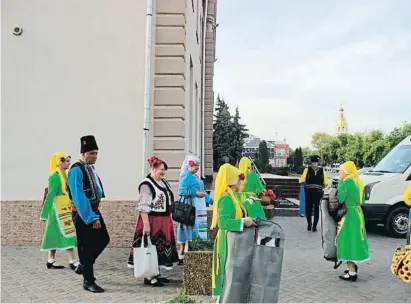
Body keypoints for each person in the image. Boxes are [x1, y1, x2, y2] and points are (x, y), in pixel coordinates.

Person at [128, 156, 178, 287]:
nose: (163, 172)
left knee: (159, 249)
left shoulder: (163, 182)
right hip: (153, 220)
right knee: (151, 247)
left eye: (164, 170)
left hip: (163, 221)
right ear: (153, 168)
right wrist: (146, 224)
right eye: (161, 170)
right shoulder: (146, 185)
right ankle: (149, 276)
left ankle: (156, 273)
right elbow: (143, 206)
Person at [68, 135, 110, 293]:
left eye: (96, 153)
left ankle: (84, 266)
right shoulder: (76, 170)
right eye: (91, 153)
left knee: (103, 239)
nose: (94, 156)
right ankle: (88, 281)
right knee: (85, 247)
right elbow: (79, 196)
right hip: (83, 213)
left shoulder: (89, 168)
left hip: (94, 210)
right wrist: (91, 218)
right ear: (83, 153)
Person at [211, 164, 255, 299]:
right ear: (231, 180)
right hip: (227, 241)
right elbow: (223, 222)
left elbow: (236, 211)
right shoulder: (226, 198)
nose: (241, 181)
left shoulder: (233, 196)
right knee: (227, 272)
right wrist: (243, 222)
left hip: (234, 240)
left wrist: (247, 203)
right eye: (239, 179)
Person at [40, 152, 79, 270]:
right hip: (57, 210)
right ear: (59, 162)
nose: (69, 163)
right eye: (66, 161)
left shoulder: (64, 175)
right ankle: (72, 261)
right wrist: (44, 214)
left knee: (54, 234)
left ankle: (50, 260)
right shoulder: (55, 176)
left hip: (64, 208)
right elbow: (50, 196)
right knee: (69, 232)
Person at [336, 161, 369, 282]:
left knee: (346, 242)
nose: (339, 172)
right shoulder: (358, 183)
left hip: (348, 215)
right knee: (355, 241)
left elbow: (339, 199)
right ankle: (352, 267)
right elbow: (363, 200)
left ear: (346, 171)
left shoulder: (345, 183)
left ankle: (352, 272)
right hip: (358, 214)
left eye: (340, 170)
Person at [177, 155, 213, 265]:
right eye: (195, 165)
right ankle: (184, 255)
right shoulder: (186, 176)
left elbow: (203, 191)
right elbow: (181, 191)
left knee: (197, 229)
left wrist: (211, 201)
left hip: (199, 206)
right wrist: (196, 194)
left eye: (198, 165)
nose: (197, 167)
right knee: (189, 229)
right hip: (190, 206)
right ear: (189, 165)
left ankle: (195, 253)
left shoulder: (195, 177)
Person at [300, 155, 328, 232]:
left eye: (316, 162)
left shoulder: (322, 170)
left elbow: (326, 182)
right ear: (311, 163)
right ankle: (309, 224)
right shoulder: (307, 169)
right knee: (308, 209)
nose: (314, 163)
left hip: (318, 193)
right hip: (309, 192)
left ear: (317, 162)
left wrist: (322, 186)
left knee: (316, 209)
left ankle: (314, 226)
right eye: (313, 162)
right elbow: (302, 179)